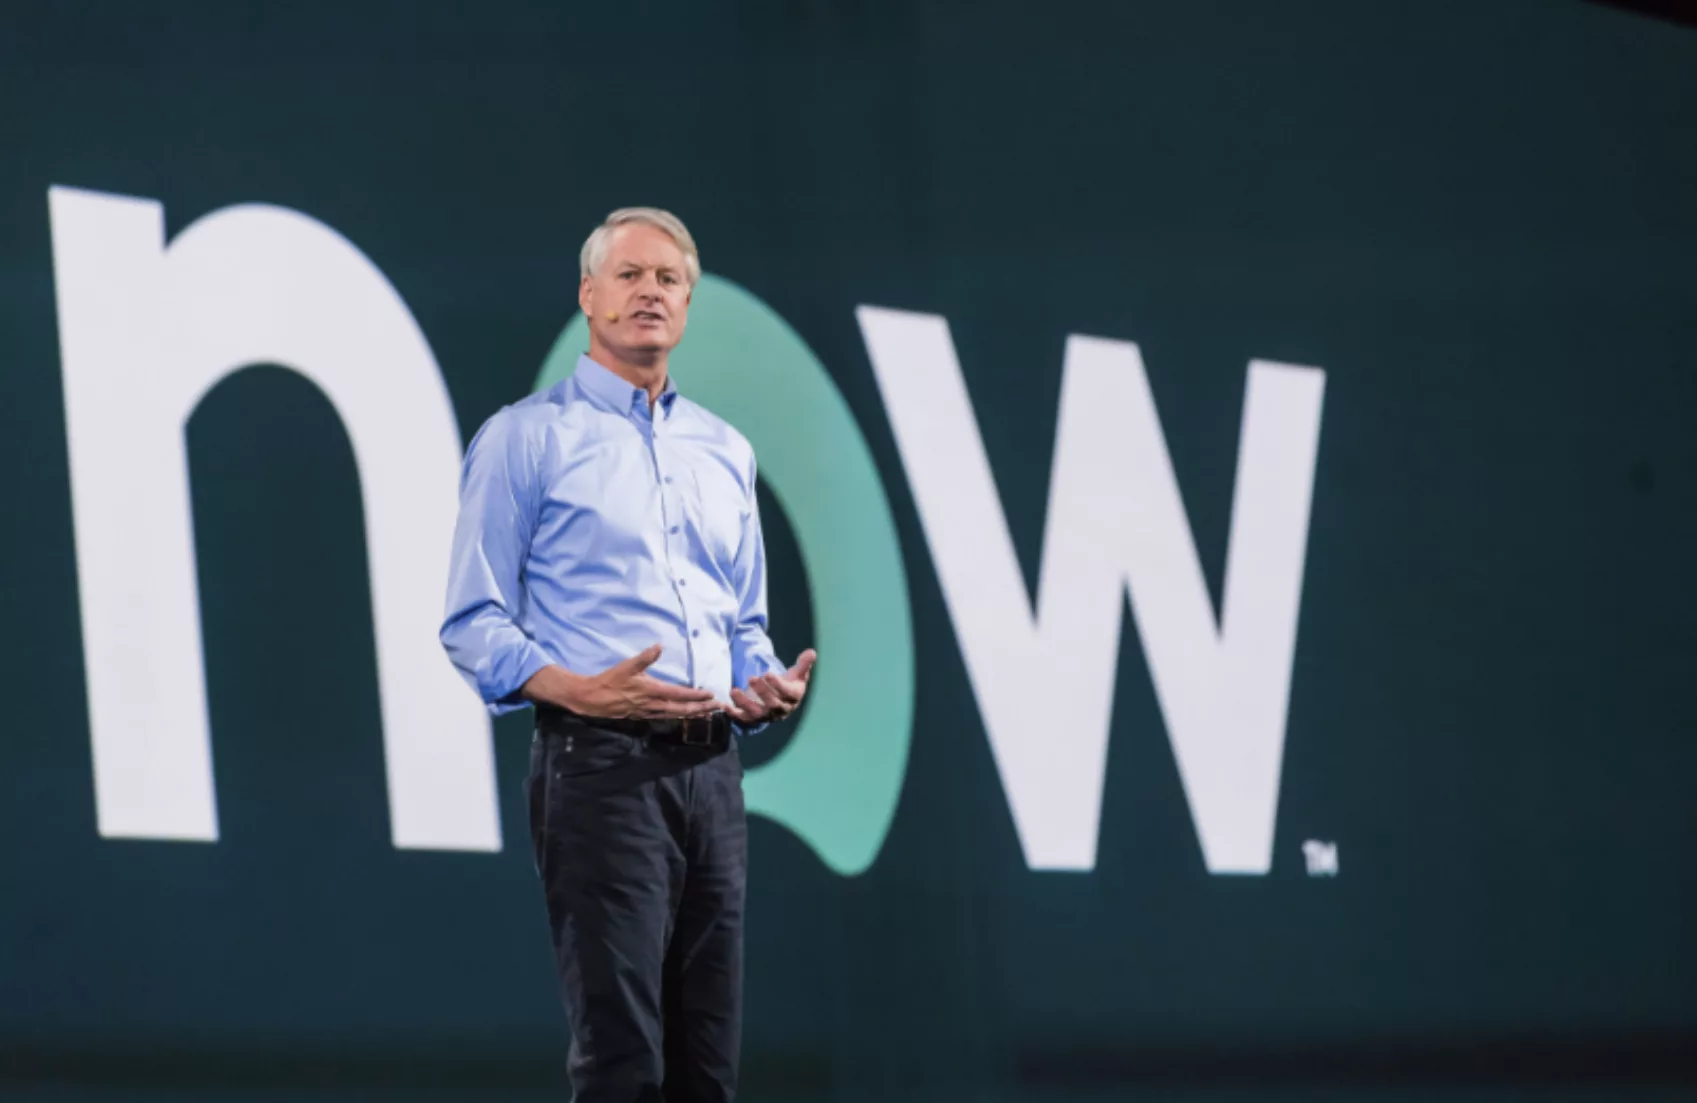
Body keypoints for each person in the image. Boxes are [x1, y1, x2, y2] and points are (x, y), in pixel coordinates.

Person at [439, 207, 816, 1102]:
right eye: (630, 275)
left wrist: (759, 683)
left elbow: (744, 622)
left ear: (687, 305)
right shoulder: (528, 436)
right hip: (598, 767)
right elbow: (472, 619)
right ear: (588, 297)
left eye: (669, 279)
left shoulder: (725, 450)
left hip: (713, 775)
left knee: (707, 1069)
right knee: (623, 1064)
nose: (650, 291)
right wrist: (572, 690)